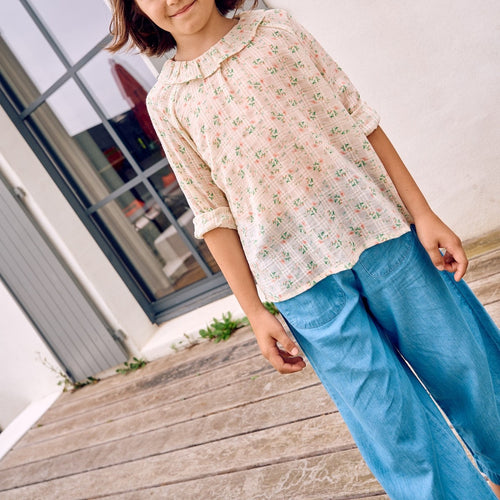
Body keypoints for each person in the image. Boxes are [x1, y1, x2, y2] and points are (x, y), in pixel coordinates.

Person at [107, 1, 500, 497]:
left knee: (464, 364)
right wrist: (253, 311)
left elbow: (360, 118)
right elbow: (212, 215)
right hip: (299, 285)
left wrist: (423, 213)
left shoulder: (277, 32)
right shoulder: (168, 104)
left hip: (380, 234)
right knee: (389, 424)